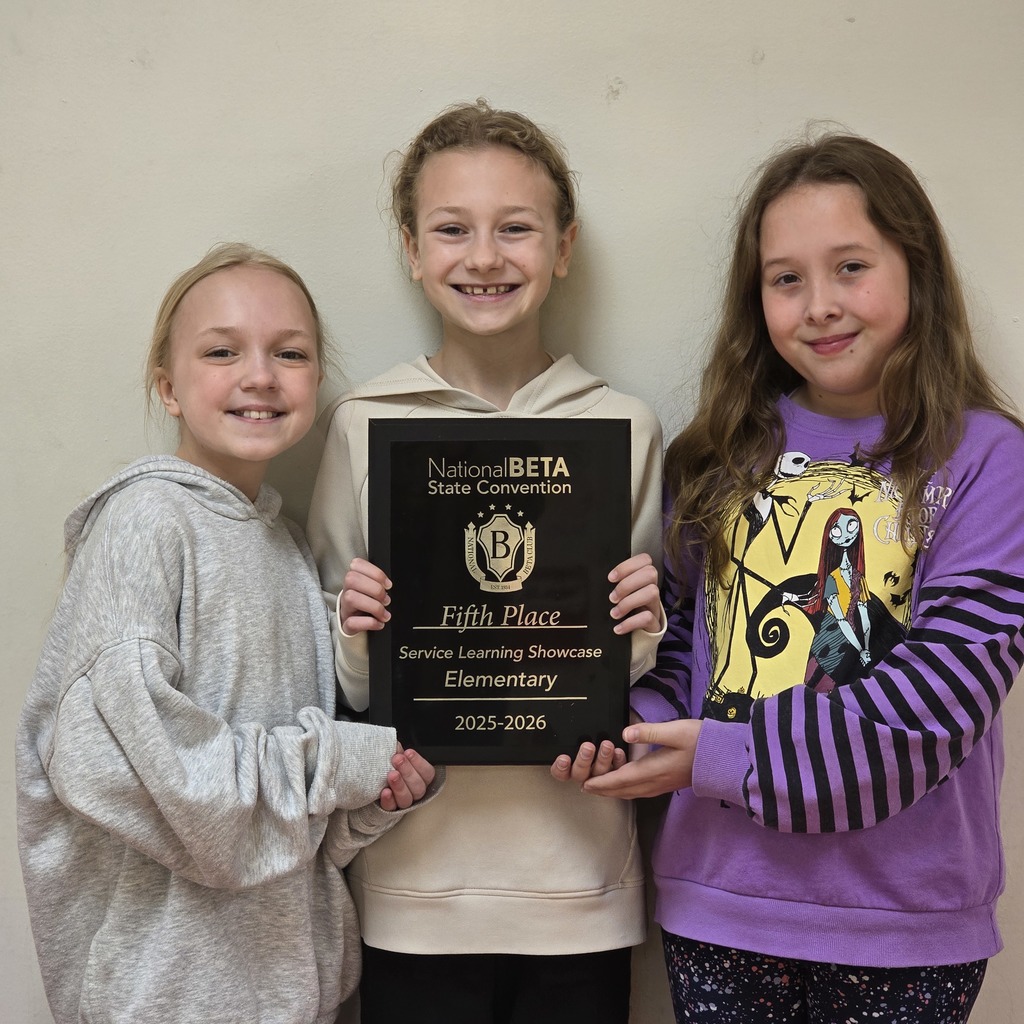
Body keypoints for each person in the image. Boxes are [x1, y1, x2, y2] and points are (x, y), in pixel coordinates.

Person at [580, 133, 1024, 1022]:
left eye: (851, 266)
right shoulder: (715, 456)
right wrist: (625, 726)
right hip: (719, 904)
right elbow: (685, 652)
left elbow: (943, 696)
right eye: (786, 279)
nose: (820, 305)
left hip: (903, 924)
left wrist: (718, 754)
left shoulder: (987, 458)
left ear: (917, 270)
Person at [306, 100, 664, 1024]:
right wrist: (355, 636)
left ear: (564, 245)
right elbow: (335, 675)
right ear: (412, 248)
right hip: (413, 886)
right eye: (452, 229)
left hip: (580, 882)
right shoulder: (364, 424)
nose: (485, 256)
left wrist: (638, 630)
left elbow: (630, 667)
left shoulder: (621, 427)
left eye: (516, 228)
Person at [16, 243, 439, 1024]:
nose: (259, 375)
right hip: (166, 999)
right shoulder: (144, 525)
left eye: (290, 352)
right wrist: (341, 761)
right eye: (222, 351)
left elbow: (284, 831)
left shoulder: (283, 550)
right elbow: (157, 778)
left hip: (296, 995)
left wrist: (369, 800)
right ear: (167, 387)